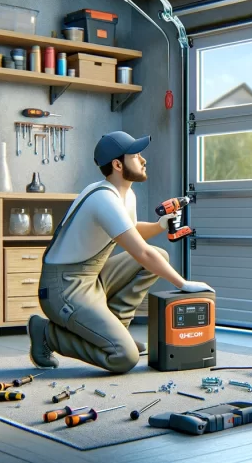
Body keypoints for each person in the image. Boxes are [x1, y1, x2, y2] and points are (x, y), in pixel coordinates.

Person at [27, 131, 214, 374]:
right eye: (136, 156)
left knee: (160, 257)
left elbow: (130, 231)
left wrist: (159, 226)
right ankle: (47, 335)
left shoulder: (126, 194)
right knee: (124, 357)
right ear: (117, 164)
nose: (143, 160)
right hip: (63, 288)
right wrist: (182, 283)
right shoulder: (103, 199)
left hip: (91, 276)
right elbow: (141, 253)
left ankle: (115, 331)